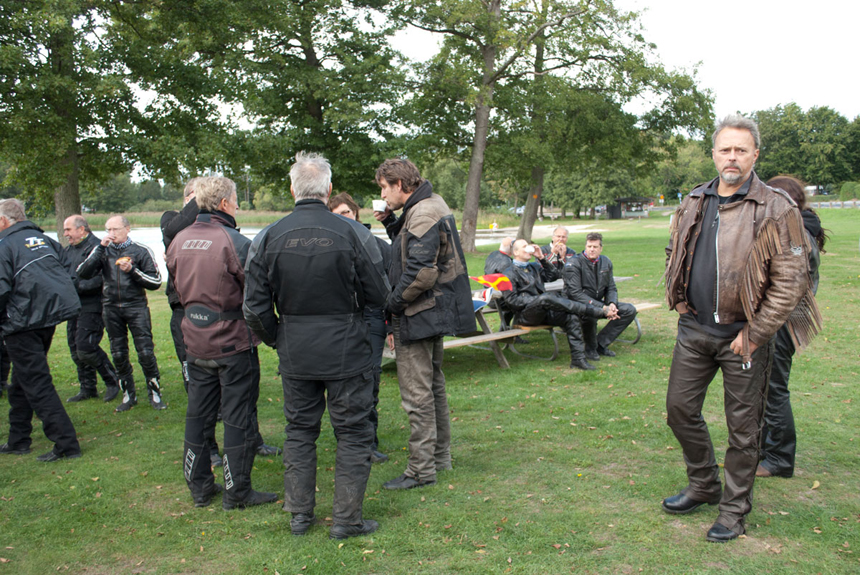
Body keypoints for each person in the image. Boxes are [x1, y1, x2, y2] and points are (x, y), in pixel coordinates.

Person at [662, 114, 821, 542]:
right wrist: (676, 293)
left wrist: (754, 334)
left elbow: (792, 281)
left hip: (743, 338)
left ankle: (733, 511)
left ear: (754, 154)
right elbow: (673, 247)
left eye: (740, 149)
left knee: (743, 429)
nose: (731, 157)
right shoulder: (695, 199)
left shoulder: (776, 207)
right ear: (714, 153)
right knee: (679, 410)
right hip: (694, 330)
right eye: (724, 149)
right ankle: (703, 485)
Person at [244, 152, 390, 539]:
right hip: (338, 347)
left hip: (304, 347)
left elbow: (254, 307)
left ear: (293, 189)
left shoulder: (269, 236)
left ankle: (305, 515)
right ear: (326, 189)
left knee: (301, 431)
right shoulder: (354, 233)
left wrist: (280, 336)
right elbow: (380, 292)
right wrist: (280, 336)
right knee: (352, 432)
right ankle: (337, 518)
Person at [167, 176, 277, 510]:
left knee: (197, 414)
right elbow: (257, 292)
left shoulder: (179, 239)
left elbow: (174, 283)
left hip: (194, 340)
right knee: (236, 416)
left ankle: (200, 487)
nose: (239, 206)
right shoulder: (235, 241)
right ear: (225, 204)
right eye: (236, 200)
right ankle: (237, 491)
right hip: (232, 342)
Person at [373, 158, 476, 491]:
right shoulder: (426, 204)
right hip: (433, 310)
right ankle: (439, 458)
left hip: (419, 312)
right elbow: (409, 249)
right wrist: (391, 222)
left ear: (399, 184)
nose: (383, 195)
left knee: (418, 394)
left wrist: (391, 305)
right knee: (433, 386)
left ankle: (421, 470)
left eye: (384, 188)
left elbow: (422, 271)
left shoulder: (423, 211)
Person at [0, 199, 82, 461]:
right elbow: (67, 272)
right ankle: (18, 439)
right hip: (45, 319)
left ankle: (66, 443)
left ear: (3, 221)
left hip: (20, 323)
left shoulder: (5, 246)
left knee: (36, 382)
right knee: (22, 381)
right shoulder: (43, 240)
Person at [757, 175, 826, 479]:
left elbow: (791, 287)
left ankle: (779, 459)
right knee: (763, 387)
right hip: (779, 318)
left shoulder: (798, 235)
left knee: (773, 389)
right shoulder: (797, 229)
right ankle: (763, 450)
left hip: (783, 320)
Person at [76, 215, 166, 412]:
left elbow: (156, 282)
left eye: (115, 229)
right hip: (110, 307)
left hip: (136, 306)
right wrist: (100, 248)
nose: (111, 234)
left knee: (145, 352)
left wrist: (133, 270)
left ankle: (155, 393)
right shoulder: (102, 251)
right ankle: (128, 394)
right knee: (118, 353)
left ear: (127, 229)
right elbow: (82, 272)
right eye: (108, 230)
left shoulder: (140, 251)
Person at [329, 192, 391, 464]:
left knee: (370, 381)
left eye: (345, 213)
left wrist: (389, 327)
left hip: (373, 320)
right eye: (335, 214)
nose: (341, 219)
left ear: (355, 213)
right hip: (339, 323)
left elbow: (390, 288)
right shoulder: (327, 247)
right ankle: (346, 437)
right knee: (342, 383)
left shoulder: (377, 246)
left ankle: (369, 441)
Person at [501, 239, 608, 371]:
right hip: (525, 316)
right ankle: (592, 311)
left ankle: (578, 360)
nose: (529, 248)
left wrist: (541, 257)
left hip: (544, 310)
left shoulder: (533, 267)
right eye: (524, 247)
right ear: (515, 252)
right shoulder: (508, 273)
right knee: (546, 297)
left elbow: (554, 275)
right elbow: (512, 302)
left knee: (571, 316)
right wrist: (537, 299)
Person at [62, 215, 120, 403]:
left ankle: (113, 381)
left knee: (86, 348)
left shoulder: (99, 247)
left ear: (82, 229)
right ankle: (87, 388)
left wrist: (77, 286)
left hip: (93, 305)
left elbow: (104, 277)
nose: (65, 234)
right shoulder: (68, 250)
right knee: (74, 349)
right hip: (73, 305)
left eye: (68, 230)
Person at [563, 232, 637, 360]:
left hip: (599, 303)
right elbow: (575, 294)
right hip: (578, 305)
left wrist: (612, 303)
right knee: (591, 314)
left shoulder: (605, 261)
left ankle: (600, 344)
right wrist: (602, 308)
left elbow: (611, 287)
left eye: (595, 247)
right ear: (585, 246)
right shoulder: (573, 264)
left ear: (601, 248)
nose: (592, 249)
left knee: (629, 310)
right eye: (589, 246)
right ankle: (590, 349)